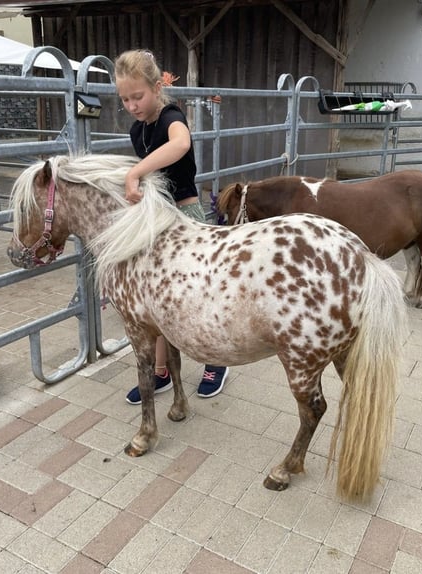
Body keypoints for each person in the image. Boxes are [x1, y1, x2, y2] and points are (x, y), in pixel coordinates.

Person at [114, 49, 229, 405]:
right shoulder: (138, 130)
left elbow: (181, 143)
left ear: (155, 86)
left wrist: (135, 172)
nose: (132, 105)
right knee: (153, 298)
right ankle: (161, 372)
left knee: (202, 292)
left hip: (186, 213)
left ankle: (216, 360)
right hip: (156, 220)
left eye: (138, 96)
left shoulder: (170, 116)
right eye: (124, 100)